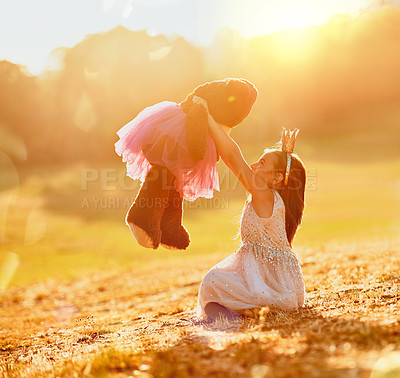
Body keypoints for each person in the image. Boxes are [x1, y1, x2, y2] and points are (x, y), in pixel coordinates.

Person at [193, 95, 306, 321]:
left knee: (211, 280)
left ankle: (254, 306)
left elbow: (233, 157)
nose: (254, 165)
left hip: (269, 280)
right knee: (214, 280)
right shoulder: (270, 198)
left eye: (261, 163)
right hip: (274, 278)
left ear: (276, 179)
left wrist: (208, 120)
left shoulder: (264, 195)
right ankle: (248, 308)